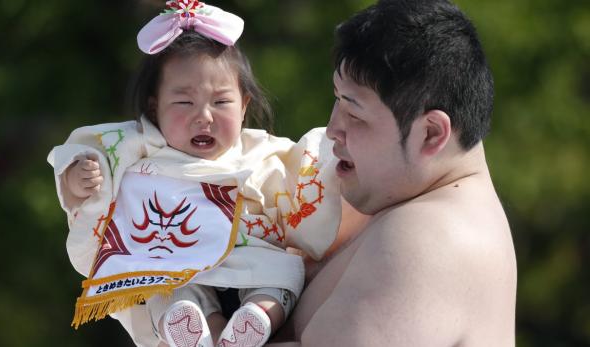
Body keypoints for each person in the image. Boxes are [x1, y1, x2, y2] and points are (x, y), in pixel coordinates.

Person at [47, 1, 341, 347]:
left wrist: (327, 171)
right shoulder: (141, 144)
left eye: (220, 102)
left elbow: (305, 173)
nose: (204, 116)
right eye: (184, 103)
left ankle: (258, 315)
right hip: (175, 255)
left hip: (251, 255)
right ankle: (197, 328)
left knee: (284, 274)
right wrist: (77, 178)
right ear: (155, 107)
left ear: (244, 105)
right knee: (161, 287)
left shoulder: (261, 149)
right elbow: (94, 150)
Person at [270, 0, 517, 346]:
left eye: (354, 113)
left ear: (431, 133)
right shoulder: (407, 204)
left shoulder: (433, 238)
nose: (332, 129)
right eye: (337, 100)